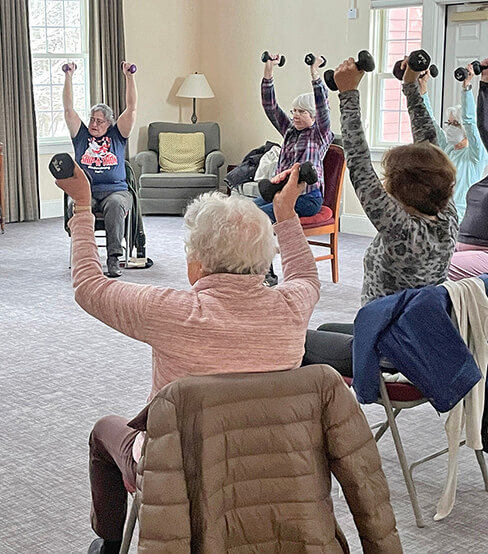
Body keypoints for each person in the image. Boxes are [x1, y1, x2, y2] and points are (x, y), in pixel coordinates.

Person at [54, 160, 320, 554]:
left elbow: (89, 286)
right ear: (265, 259)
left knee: (103, 433)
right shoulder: (292, 306)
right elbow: (306, 277)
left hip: (177, 470)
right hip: (267, 465)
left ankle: (110, 544)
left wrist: (80, 206)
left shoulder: (171, 311)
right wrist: (285, 214)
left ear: (196, 262)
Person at [303, 55, 459, 376]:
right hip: (415, 337)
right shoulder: (446, 215)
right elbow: (431, 149)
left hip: (387, 347)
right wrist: (410, 87)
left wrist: (348, 95)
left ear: (400, 189)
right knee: (328, 325)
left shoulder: (402, 230)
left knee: (294, 339)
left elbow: (359, 166)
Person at [254, 53, 333, 285]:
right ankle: (254, 268)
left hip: (308, 198)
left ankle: (267, 274)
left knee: (262, 218)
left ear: (313, 116)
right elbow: (270, 106)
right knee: (247, 213)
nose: (295, 115)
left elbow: (323, 105)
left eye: (301, 112)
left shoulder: (320, 134)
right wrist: (269, 71)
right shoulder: (289, 131)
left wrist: (314, 73)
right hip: (282, 195)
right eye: (294, 111)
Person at [63, 61, 137, 278]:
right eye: (92, 120)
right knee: (76, 206)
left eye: (100, 121)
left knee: (114, 205)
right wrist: (69, 76)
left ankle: (114, 259)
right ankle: (82, 257)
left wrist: (129, 77)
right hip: (85, 191)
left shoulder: (117, 135)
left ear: (109, 124)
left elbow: (132, 108)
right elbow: (68, 109)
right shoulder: (81, 135)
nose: (94, 124)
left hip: (116, 191)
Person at [419, 62, 488, 220]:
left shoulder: (476, 154)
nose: (450, 128)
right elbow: (431, 123)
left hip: (463, 216)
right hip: (441, 212)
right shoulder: (448, 148)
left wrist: (466, 87)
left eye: (455, 124)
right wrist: (423, 89)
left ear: (463, 129)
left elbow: (470, 121)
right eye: (448, 123)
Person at [449, 58, 488, 280]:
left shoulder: (476, 155)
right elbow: (483, 125)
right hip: (462, 243)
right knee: (418, 256)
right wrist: (484, 84)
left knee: (437, 266)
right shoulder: (449, 151)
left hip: (482, 253)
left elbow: (473, 125)